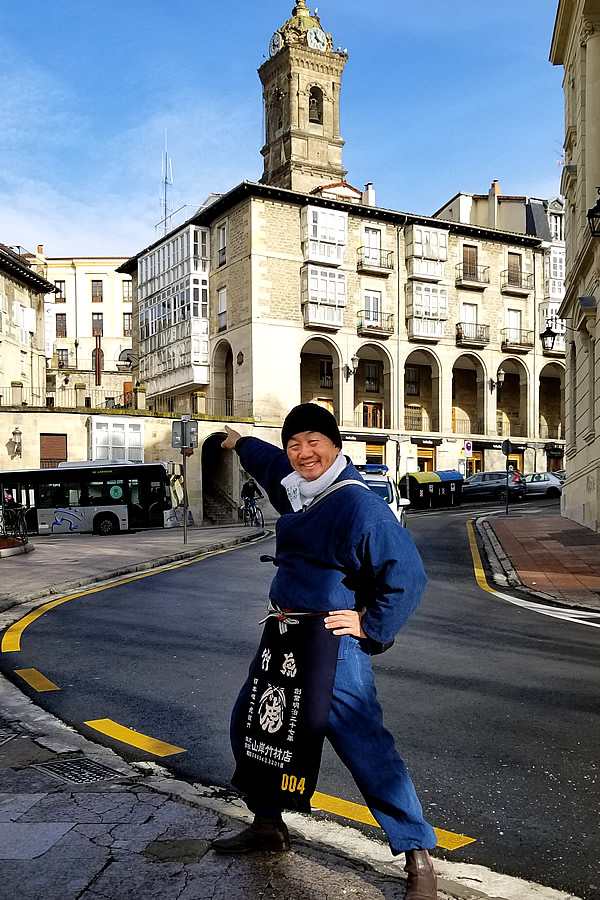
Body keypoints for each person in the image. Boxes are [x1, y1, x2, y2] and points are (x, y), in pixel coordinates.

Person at [213, 403, 437, 900]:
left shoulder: (358, 504)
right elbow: (269, 461)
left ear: (335, 445)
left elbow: (407, 576)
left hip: (332, 645)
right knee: (252, 725)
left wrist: (369, 625)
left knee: (365, 746)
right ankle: (268, 823)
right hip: (284, 636)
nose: (302, 452)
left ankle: (418, 855)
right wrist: (238, 441)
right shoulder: (297, 489)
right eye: (295, 443)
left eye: (313, 441)